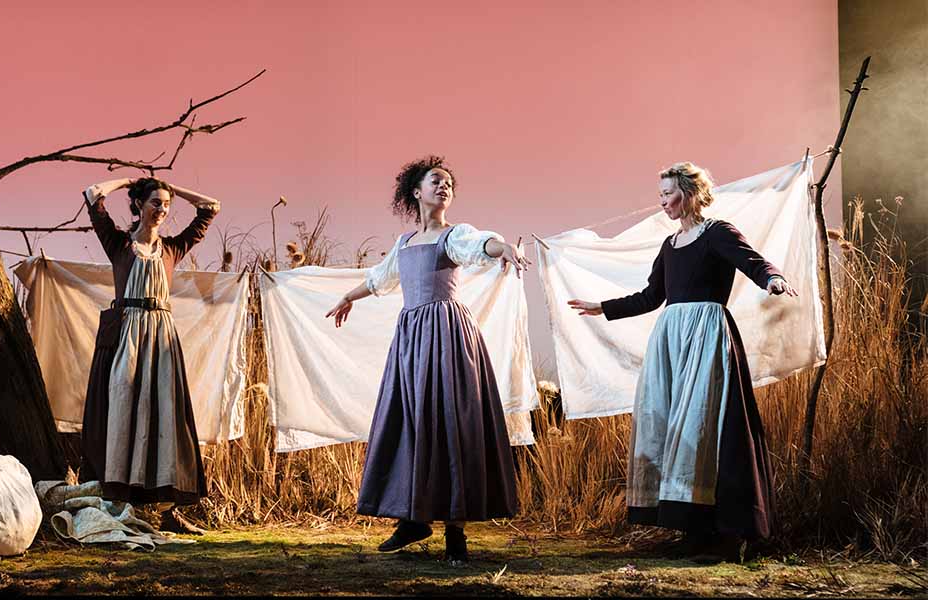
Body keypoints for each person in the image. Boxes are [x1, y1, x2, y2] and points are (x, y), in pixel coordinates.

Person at [567, 162, 797, 559]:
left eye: (668, 194)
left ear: (690, 193)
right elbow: (651, 296)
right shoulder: (670, 245)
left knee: (706, 426)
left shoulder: (717, 233)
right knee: (675, 429)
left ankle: (727, 535)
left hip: (706, 335)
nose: (663, 203)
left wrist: (771, 279)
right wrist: (602, 307)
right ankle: (693, 530)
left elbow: (753, 261)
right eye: (660, 196)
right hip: (671, 339)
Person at [325, 155, 529, 565]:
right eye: (436, 180)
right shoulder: (403, 244)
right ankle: (414, 518)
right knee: (411, 422)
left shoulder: (453, 236)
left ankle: (456, 532)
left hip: (447, 334)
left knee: (451, 422)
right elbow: (379, 278)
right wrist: (349, 297)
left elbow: (480, 244)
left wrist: (502, 246)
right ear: (416, 191)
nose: (444, 186)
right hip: (412, 339)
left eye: (449, 182)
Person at [81, 175, 221, 535]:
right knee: (124, 410)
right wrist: (130, 179)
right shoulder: (118, 244)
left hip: (160, 336)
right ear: (139, 205)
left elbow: (210, 208)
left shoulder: (173, 248)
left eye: (166, 205)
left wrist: (173, 186)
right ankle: (121, 502)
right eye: (155, 202)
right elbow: (94, 193)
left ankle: (168, 509)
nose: (162, 210)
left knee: (164, 417)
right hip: (127, 332)